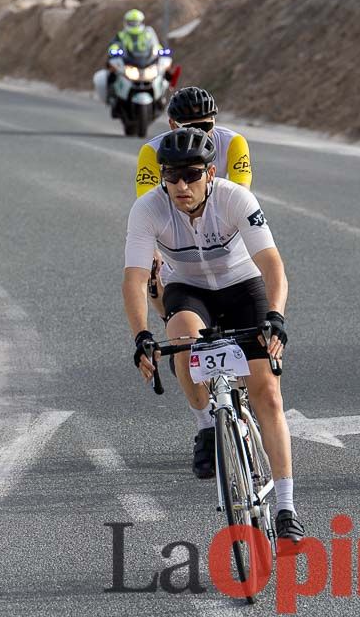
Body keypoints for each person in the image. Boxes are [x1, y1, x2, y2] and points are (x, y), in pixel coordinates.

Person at [124, 128, 305, 542]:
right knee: (183, 340)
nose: (181, 186)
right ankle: (207, 423)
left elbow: (272, 264)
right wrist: (140, 338)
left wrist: (275, 317)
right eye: (171, 176)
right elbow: (134, 279)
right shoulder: (147, 209)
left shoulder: (234, 198)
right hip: (189, 289)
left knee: (267, 393)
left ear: (209, 173)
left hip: (243, 286)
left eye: (191, 175)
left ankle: (286, 505)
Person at [136, 86, 253, 312]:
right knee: (152, 269)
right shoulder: (152, 151)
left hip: (222, 215)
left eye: (205, 126)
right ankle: (172, 324)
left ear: (214, 123)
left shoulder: (234, 142)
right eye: (191, 127)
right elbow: (147, 204)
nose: (199, 132)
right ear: (172, 125)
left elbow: (242, 193)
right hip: (176, 220)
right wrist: (153, 249)